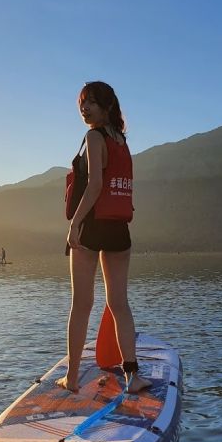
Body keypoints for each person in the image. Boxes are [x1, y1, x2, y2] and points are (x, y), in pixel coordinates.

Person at [58, 81, 150, 395]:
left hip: (92, 225)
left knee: (81, 304)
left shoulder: (94, 136)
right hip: (118, 228)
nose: (84, 108)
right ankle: (132, 376)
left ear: (107, 106)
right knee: (119, 303)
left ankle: (71, 377)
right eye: (82, 103)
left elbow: (95, 185)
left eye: (92, 103)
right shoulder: (121, 141)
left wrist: (75, 225)